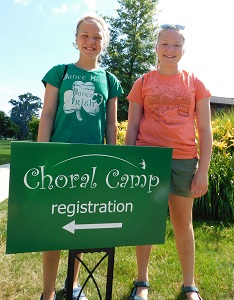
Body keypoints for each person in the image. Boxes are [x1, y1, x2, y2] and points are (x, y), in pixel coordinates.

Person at [37, 15, 123, 300]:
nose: (91, 41)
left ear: (104, 42)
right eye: (85, 35)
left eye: (97, 36)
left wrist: (112, 157)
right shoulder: (59, 73)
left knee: (79, 226)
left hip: (93, 165)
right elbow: (47, 115)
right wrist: (42, 154)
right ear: (75, 39)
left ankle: (71, 286)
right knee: (54, 228)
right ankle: (48, 291)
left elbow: (111, 125)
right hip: (60, 161)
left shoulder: (110, 81)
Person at [125, 24, 212, 300]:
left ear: (183, 50)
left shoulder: (195, 83)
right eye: (165, 43)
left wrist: (203, 171)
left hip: (184, 160)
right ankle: (142, 282)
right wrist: (128, 165)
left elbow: (206, 131)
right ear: (157, 47)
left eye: (176, 45)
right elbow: (132, 126)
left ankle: (190, 285)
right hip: (147, 160)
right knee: (147, 221)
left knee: (183, 224)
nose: (170, 49)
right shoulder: (142, 83)